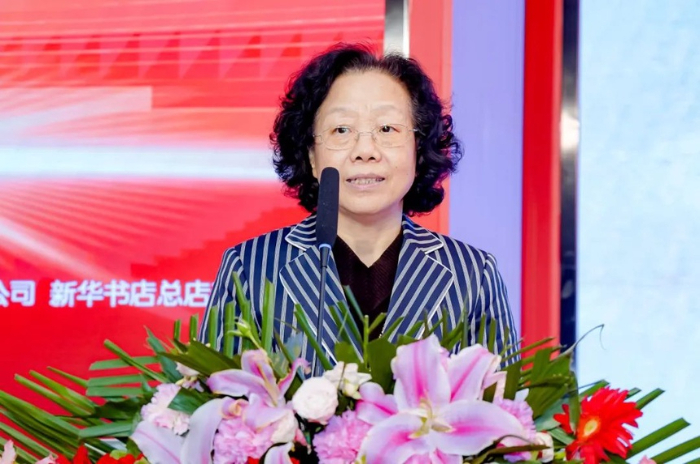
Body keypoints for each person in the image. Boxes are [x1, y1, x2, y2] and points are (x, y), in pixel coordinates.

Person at [199, 43, 518, 364]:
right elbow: (216, 392)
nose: (365, 151)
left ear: (418, 149)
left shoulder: (473, 274)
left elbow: (501, 393)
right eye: (341, 130)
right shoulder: (250, 267)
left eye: (387, 129)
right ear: (312, 156)